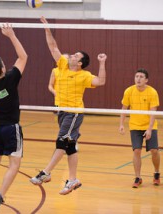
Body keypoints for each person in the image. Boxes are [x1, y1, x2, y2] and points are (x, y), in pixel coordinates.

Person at [30, 16, 107, 195]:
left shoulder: (85, 75)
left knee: (61, 142)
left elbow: (101, 81)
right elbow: (53, 47)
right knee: (70, 147)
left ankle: (45, 173)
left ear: (79, 63)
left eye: (76, 56)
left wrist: (102, 63)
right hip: (62, 111)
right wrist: (47, 28)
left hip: (74, 113)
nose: (71, 55)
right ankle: (73, 179)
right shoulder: (63, 66)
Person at [0, 23, 27, 214]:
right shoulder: (11, 78)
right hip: (11, 128)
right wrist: (11, 35)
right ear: (3, 68)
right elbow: (23, 56)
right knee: (14, 164)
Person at [119, 68, 161, 188]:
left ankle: (157, 173)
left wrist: (149, 129)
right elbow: (124, 108)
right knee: (137, 150)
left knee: (154, 151)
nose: (138, 79)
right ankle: (138, 177)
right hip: (135, 126)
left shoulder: (152, 92)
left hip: (150, 125)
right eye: (137, 76)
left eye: (141, 77)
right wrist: (121, 124)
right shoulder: (129, 91)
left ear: (146, 80)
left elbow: (153, 113)